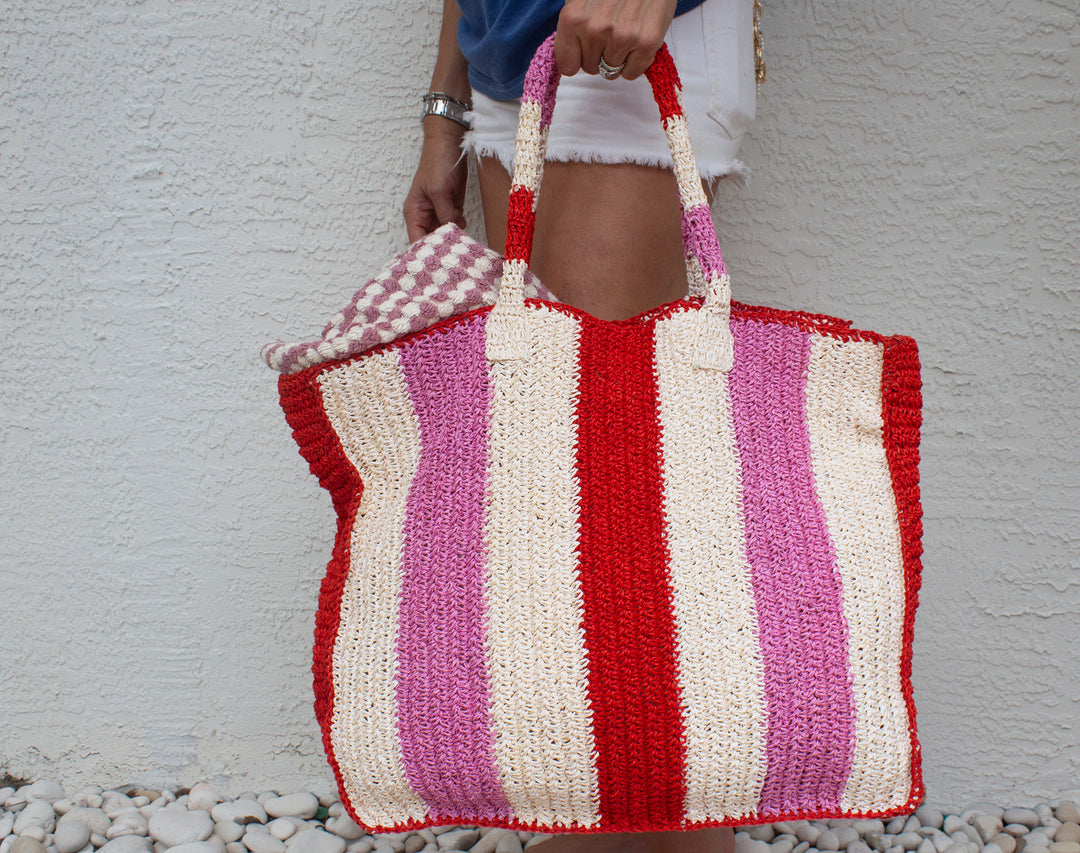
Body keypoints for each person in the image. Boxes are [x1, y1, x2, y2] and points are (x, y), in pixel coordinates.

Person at [403, 1, 755, 849]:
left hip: (628, 46)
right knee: (561, 543)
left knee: (620, 545)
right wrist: (445, 109)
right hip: (511, 63)